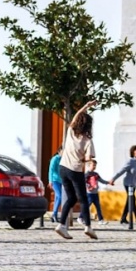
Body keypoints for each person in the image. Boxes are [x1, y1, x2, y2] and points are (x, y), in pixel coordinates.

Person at [54, 100, 98, 240]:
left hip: (63, 168)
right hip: (75, 170)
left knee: (71, 198)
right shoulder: (87, 140)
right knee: (83, 199)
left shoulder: (71, 131)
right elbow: (87, 158)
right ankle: (88, 227)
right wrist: (87, 160)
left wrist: (86, 106)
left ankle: (61, 225)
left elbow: (76, 115)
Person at [110, 145, 136, 225]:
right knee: (132, 199)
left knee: (130, 200)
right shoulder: (130, 161)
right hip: (128, 184)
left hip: (134, 184)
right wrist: (113, 179)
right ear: (133, 152)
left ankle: (124, 218)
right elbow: (121, 171)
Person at [77, 160, 111, 225]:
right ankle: (80, 217)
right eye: (93, 165)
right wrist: (88, 187)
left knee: (98, 206)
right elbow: (84, 183)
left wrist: (108, 182)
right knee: (87, 206)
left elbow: (101, 180)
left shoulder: (96, 174)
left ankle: (100, 220)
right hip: (89, 193)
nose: (94, 166)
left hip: (95, 193)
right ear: (89, 165)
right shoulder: (87, 174)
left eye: (95, 165)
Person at [47, 146, 63, 223]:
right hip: (54, 180)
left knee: (57, 197)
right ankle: (54, 214)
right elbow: (51, 170)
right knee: (60, 196)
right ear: (59, 151)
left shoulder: (63, 160)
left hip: (61, 181)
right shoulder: (55, 159)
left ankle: (54, 215)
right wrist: (50, 181)